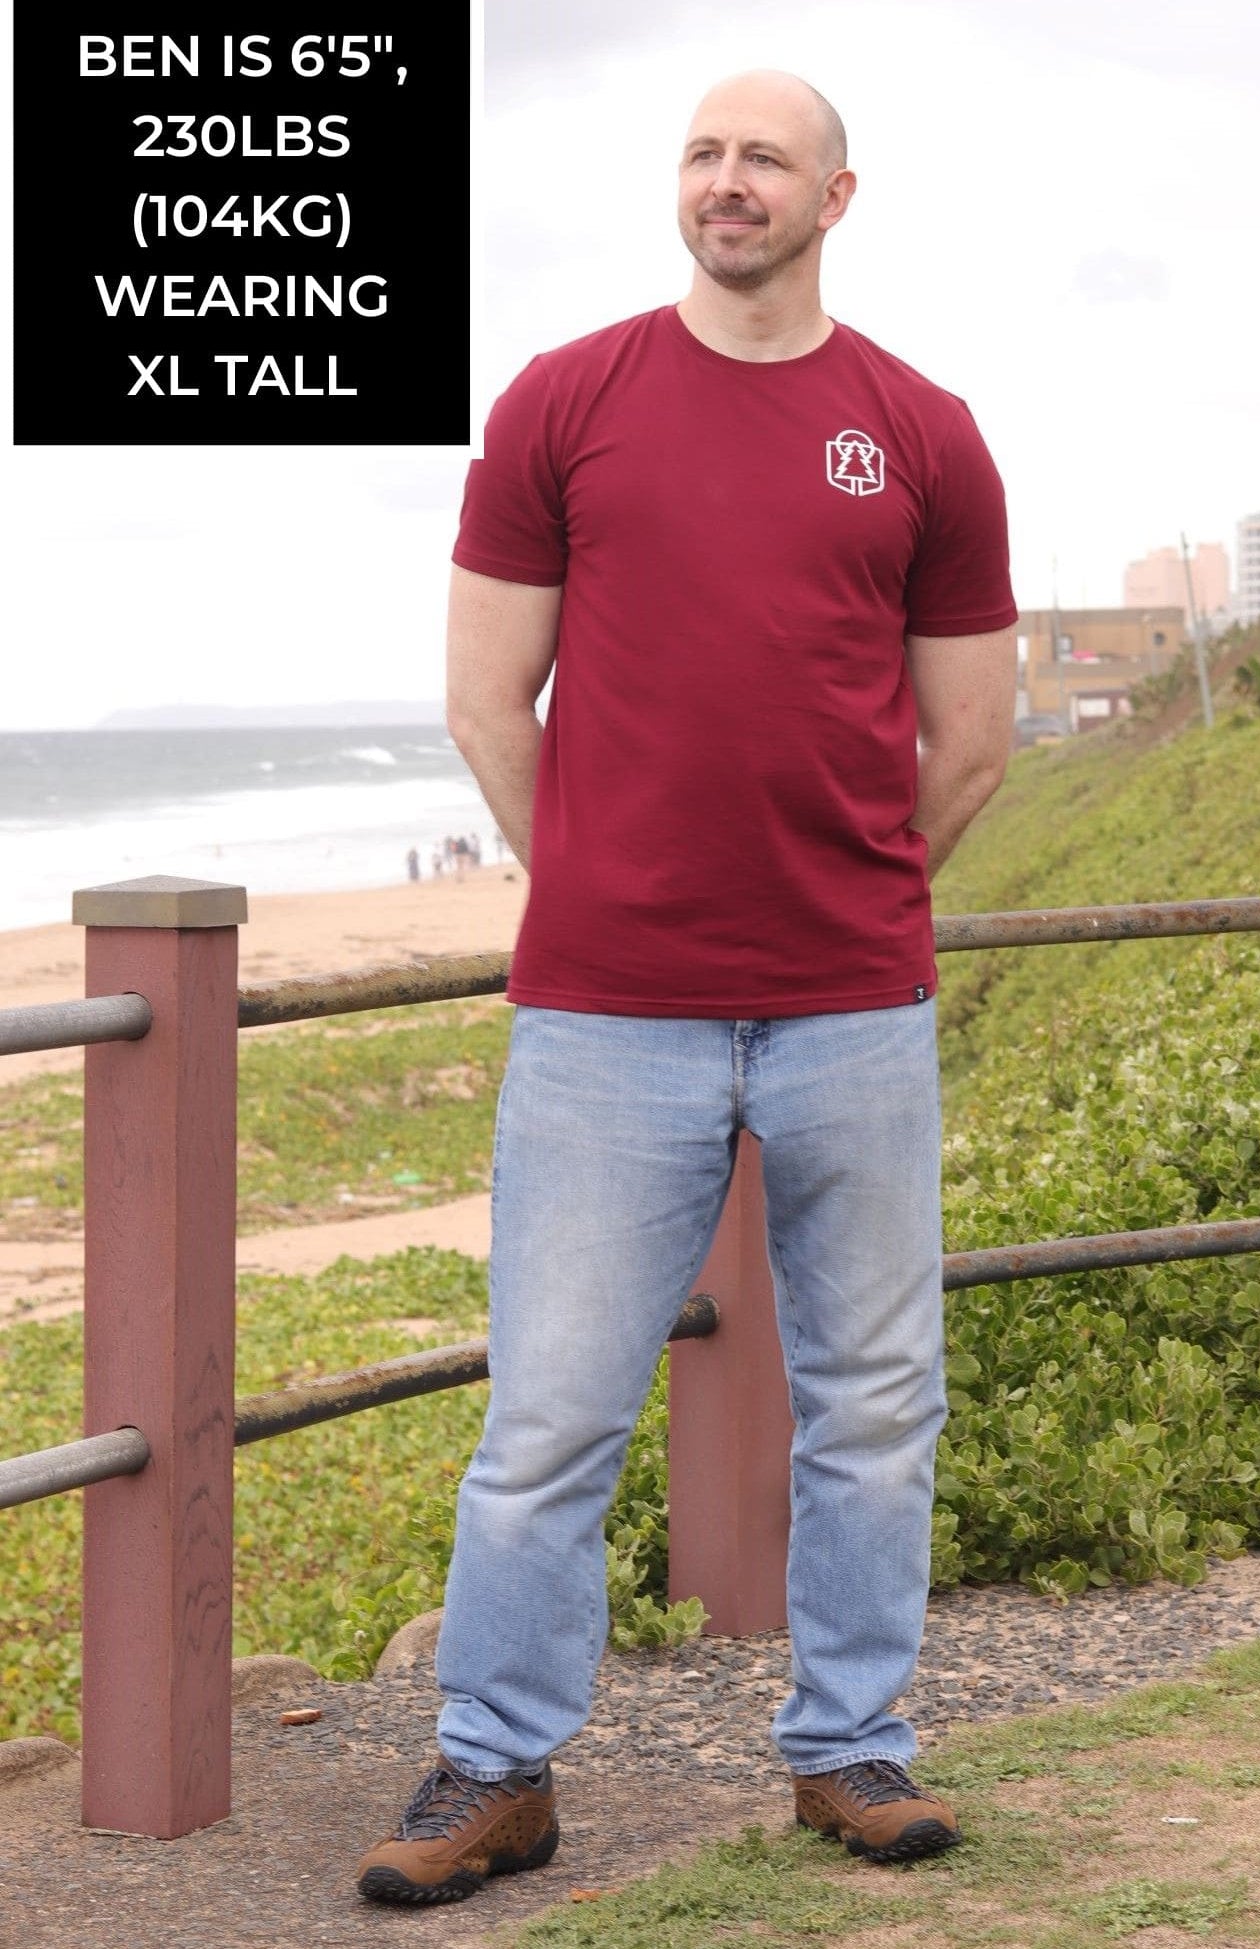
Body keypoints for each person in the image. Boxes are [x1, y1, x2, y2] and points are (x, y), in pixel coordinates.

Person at [356, 68, 1017, 1909]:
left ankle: (852, 1748)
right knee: (551, 1412)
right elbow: (490, 696)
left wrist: (857, 893)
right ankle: (494, 1763)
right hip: (604, 1015)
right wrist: (592, 886)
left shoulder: (924, 432)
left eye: (765, 160)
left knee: (877, 1396)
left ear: (837, 196)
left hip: (852, 1009)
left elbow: (972, 735)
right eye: (703, 154)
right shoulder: (566, 399)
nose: (728, 184)